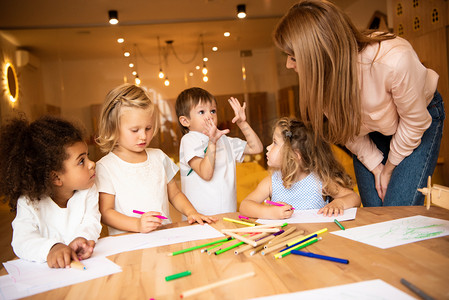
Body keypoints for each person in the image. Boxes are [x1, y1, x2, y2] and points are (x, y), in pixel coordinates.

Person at [274, 0, 445, 206]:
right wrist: (377, 168)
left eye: (293, 57)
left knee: (396, 209)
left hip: (413, 122)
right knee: (374, 209)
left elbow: (414, 122)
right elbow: (348, 130)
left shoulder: (394, 60)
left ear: (318, 53)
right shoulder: (322, 80)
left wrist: (389, 168)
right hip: (369, 130)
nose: (288, 64)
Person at [95, 84, 216, 235]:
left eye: (148, 128)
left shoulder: (159, 157)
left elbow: (175, 194)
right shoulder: (105, 167)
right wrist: (137, 224)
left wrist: (191, 212)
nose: (143, 136)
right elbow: (106, 213)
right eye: (135, 130)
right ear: (113, 128)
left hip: (164, 237)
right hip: (129, 245)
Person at [0, 115, 101, 268]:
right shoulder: (29, 202)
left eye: (88, 156)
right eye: (81, 161)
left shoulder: (88, 190)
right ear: (56, 177)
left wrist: (82, 238)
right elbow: (22, 240)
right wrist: (52, 248)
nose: (92, 163)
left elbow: (91, 221)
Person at [239, 117, 361, 219]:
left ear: (294, 156)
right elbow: (245, 205)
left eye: (275, 143)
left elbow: (354, 197)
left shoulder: (320, 180)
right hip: (284, 241)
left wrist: (339, 202)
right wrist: (269, 212)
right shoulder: (271, 183)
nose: (268, 147)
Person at [175, 87, 263, 216]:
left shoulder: (225, 140)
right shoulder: (189, 140)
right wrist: (212, 142)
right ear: (185, 121)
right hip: (200, 218)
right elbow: (206, 173)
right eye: (201, 112)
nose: (209, 115)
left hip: (228, 214)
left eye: (213, 111)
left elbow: (256, 148)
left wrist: (242, 123)